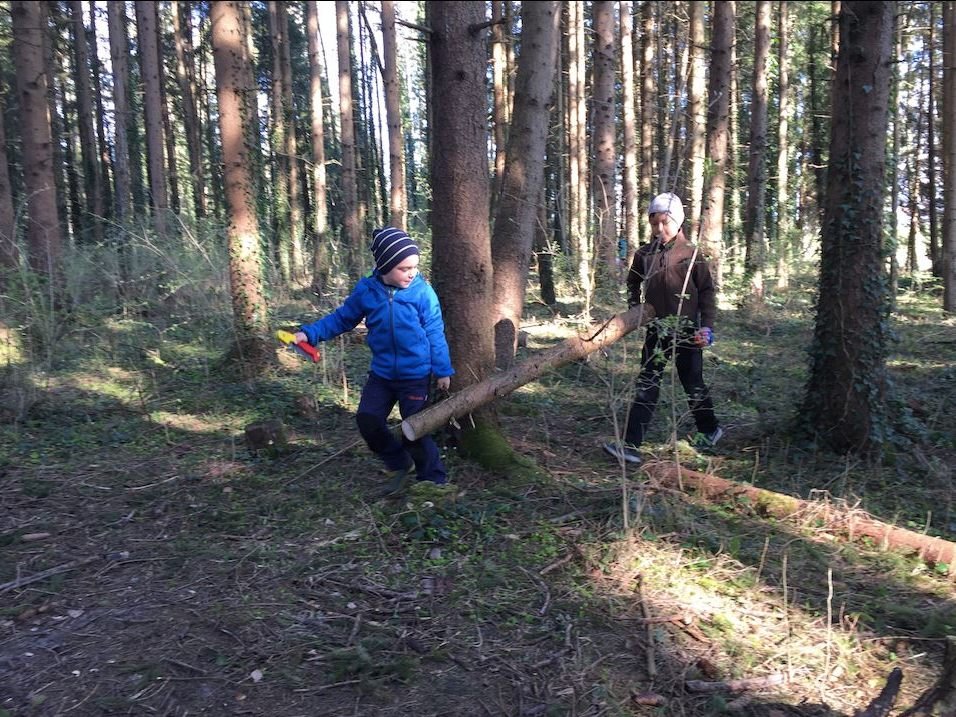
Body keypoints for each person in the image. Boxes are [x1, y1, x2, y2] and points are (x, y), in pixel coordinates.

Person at [294, 227, 454, 496]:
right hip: (381, 374)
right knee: (367, 419)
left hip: (415, 375)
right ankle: (398, 462)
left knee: (414, 427)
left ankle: (433, 479)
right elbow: (341, 319)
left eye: (414, 266)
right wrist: (309, 333)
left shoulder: (422, 293)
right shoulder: (367, 290)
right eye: (404, 268)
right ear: (384, 266)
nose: (411, 273)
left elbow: (435, 331)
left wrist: (442, 369)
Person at [604, 192, 722, 466]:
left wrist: (707, 327)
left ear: (678, 222)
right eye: (654, 223)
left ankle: (710, 429)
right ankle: (631, 444)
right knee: (647, 382)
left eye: (665, 222)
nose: (659, 229)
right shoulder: (645, 254)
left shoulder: (691, 255)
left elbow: (707, 293)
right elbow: (632, 283)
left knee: (692, 381)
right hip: (657, 330)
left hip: (687, 330)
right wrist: (637, 310)